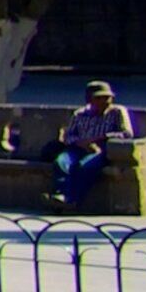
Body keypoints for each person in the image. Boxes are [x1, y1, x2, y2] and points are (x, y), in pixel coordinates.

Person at [47, 81, 132, 209]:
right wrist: (81, 142)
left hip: (102, 150)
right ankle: (60, 194)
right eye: (99, 98)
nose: (104, 101)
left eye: (107, 98)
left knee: (84, 166)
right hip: (79, 148)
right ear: (90, 99)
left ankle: (72, 199)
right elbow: (68, 136)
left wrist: (100, 138)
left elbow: (126, 133)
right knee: (61, 162)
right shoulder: (80, 114)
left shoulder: (117, 112)